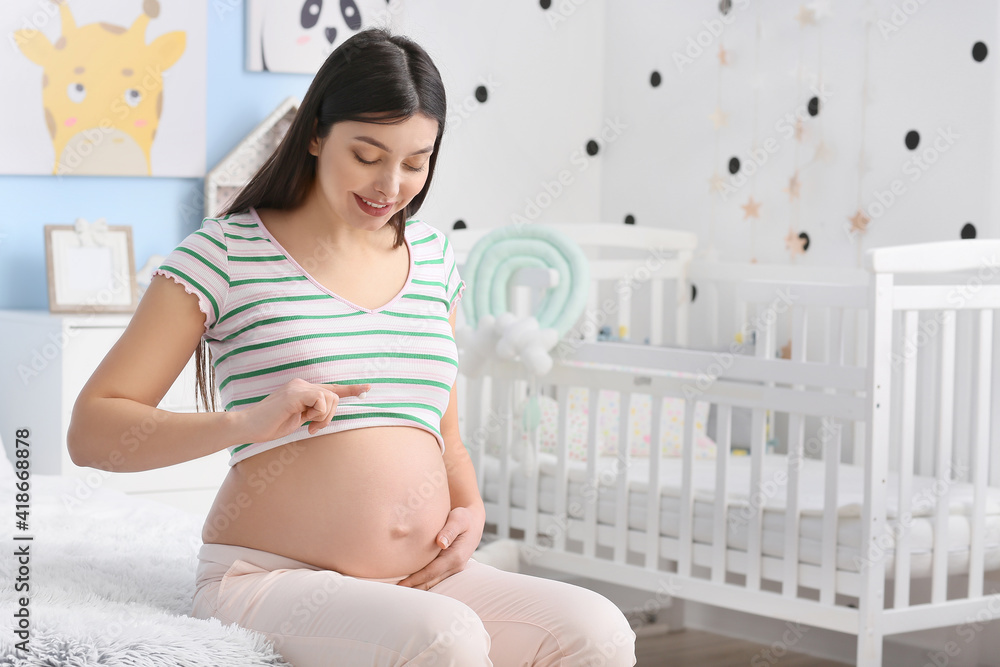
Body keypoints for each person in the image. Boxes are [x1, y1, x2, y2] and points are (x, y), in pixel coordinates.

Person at [67, 27, 637, 667]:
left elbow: (443, 433)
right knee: (446, 639)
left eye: (415, 162)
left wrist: (470, 506)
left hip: (423, 580)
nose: (390, 184)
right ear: (316, 134)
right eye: (367, 155)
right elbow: (91, 432)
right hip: (270, 579)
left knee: (598, 630)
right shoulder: (224, 252)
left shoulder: (433, 258)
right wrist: (246, 422)